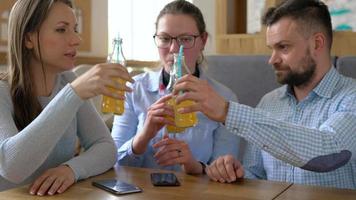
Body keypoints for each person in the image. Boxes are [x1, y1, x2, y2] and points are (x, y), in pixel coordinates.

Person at [173, 0, 356, 189]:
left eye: (283, 47)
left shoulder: (351, 97)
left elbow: (328, 153)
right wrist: (235, 173)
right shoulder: (269, 101)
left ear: (317, 43)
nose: (272, 60)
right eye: (272, 49)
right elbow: (255, 173)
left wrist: (227, 111)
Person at [0, 0, 133, 195]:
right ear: (28, 38)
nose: (76, 40)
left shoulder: (67, 81)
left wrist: (71, 169)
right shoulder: (3, 91)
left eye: (75, 29)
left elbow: (106, 148)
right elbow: (12, 167)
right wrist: (73, 94)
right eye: (62, 30)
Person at [111, 0, 242, 177]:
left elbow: (225, 171)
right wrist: (144, 136)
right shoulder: (133, 90)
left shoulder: (225, 98)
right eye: (165, 39)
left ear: (203, 41)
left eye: (185, 39)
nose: (173, 49)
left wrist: (192, 165)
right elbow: (111, 163)